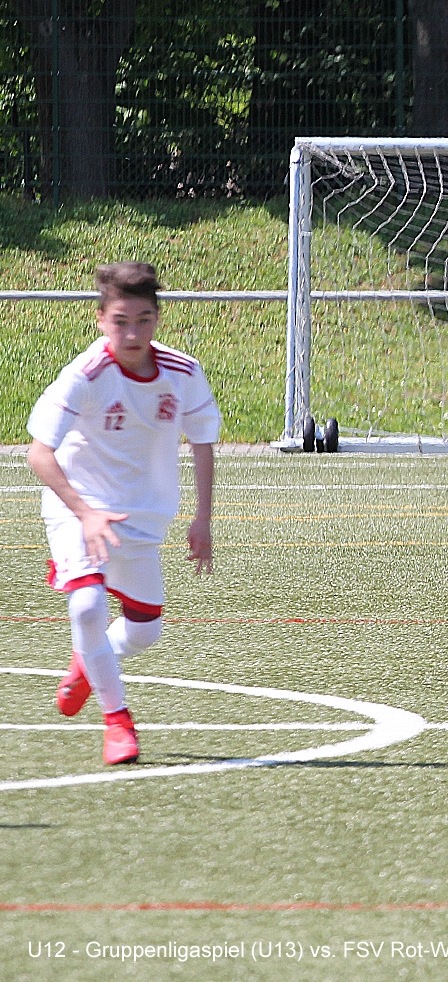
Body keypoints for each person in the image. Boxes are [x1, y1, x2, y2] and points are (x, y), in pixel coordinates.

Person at [26, 262, 221, 766]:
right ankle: (118, 721)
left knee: (145, 629)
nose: (132, 334)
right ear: (100, 320)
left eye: (143, 320)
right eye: (120, 322)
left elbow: (202, 441)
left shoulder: (183, 372)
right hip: (77, 508)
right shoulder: (85, 375)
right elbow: (39, 454)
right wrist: (85, 513)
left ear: (157, 319)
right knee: (87, 607)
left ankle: (90, 663)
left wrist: (203, 518)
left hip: (142, 516)